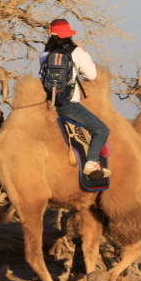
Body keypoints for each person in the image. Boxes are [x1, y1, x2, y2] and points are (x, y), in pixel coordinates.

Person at [39, 18, 111, 180]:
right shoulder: (75, 52)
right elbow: (91, 75)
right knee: (102, 130)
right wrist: (83, 53)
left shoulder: (44, 54)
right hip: (69, 105)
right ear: (68, 34)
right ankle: (91, 162)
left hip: (49, 105)